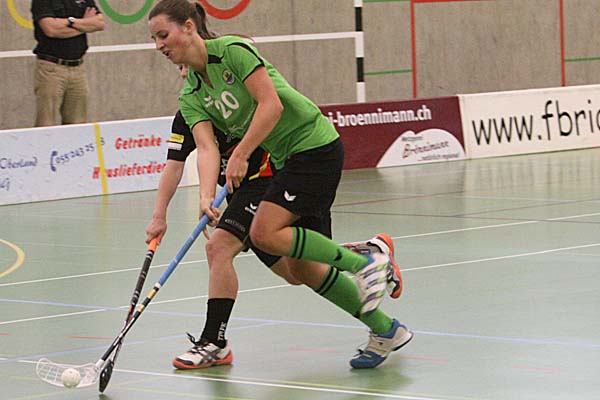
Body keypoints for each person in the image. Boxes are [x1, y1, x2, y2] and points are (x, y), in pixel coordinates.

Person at [148, 0, 412, 369]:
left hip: (313, 143)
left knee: (263, 233)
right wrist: (206, 196)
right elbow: (206, 149)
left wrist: (241, 153)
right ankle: (386, 329)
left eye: (163, 35)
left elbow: (271, 105)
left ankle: (367, 261)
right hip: (288, 159)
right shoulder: (191, 95)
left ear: (189, 27)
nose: (159, 45)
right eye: (154, 39)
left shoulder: (233, 51)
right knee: (302, 269)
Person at [31, 0, 105, 127]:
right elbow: (51, 29)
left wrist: (69, 23)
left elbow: (99, 23)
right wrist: (84, 23)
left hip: (78, 69)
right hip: (51, 69)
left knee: (78, 125)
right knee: (46, 124)